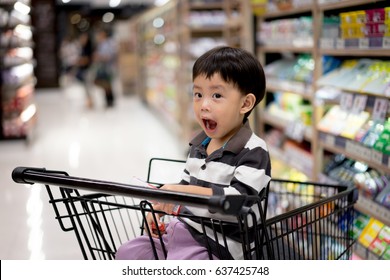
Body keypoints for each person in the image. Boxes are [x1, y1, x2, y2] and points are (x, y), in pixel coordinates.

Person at [115, 46, 271, 260]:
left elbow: (239, 201)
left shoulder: (254, 150)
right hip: (182, 232)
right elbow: (186, 186)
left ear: (245, 103)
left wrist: (182, 193)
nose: (203, 105)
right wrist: (162, 206)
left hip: (220, 245)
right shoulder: (199, 145)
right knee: (129, 253)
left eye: (216, 95)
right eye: (198, 94)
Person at [93, 28, 117, 108]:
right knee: (105, 85)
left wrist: (100, 57)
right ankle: (108, 100)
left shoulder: (108, 43)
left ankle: (110, 101)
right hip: (103, 67)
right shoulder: (101, 44)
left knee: (108, 85)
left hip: (107, 68)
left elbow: (109, 56)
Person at [75, 32, 93, 108]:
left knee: (88, 87)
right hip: (84, 70)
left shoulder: (88, 49)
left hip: (88, 70)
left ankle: (90, 102)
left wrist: (80, 61)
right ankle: (88, 101)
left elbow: (87, 60)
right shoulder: (82, 48)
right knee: (86, 88)